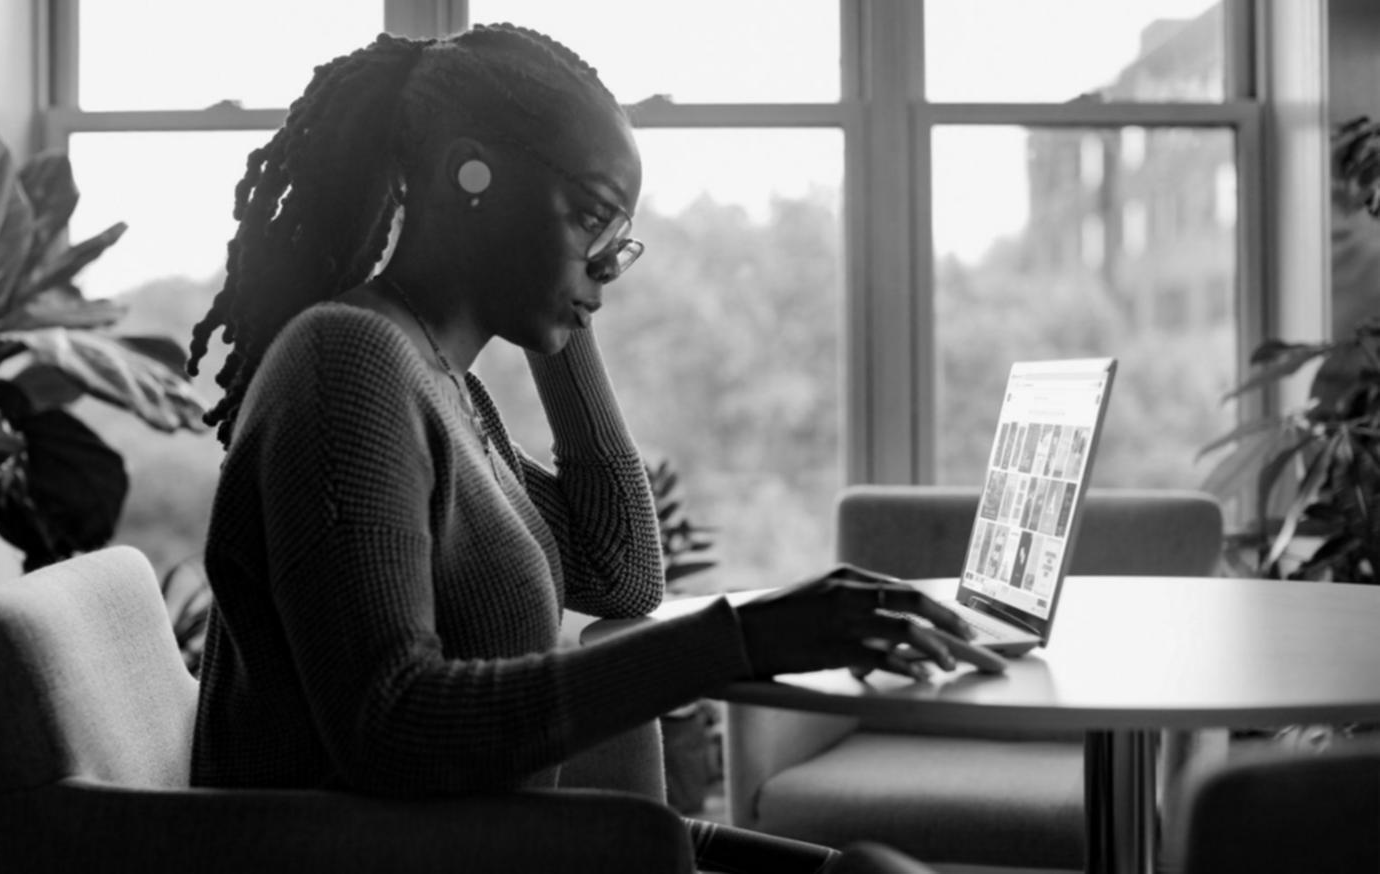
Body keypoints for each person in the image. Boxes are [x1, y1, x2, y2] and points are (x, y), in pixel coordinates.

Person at [186, 24, 983, 873]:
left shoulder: (441, 381)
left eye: (617, 239)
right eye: (593, 215)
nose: (608, 265)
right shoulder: (347, 366)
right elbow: (393, 728)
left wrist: (558, 304)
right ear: (471, 173)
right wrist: (746, 636)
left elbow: (619, 572)